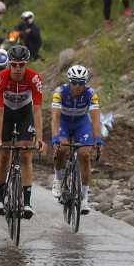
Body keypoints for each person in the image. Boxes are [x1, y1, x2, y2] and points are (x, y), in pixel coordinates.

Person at [0, 45, 47, 218]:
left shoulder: (34, 78)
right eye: (14, 64)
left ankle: (27, 202)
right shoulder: (0, 79)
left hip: (25, 114)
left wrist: (40, 138)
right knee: (4, 155)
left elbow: (37, 111)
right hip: (6, 114)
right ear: (9, 64)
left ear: (26, 64)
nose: (17, 68)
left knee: (25, 155)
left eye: (21, 65)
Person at [50, 65, 104, 215]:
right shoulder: (59, 92)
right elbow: (55, 117)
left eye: (81, 83)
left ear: (85, 83)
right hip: (63, 123)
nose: (78, 86)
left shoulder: (91, 94)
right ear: (68, 81)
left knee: (85, 154)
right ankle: (58, 178)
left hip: (81, 123)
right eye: (74, 82)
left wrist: (98, 138)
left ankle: (84, 198)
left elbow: (96, 119)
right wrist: (55, 137)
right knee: (62, 149)